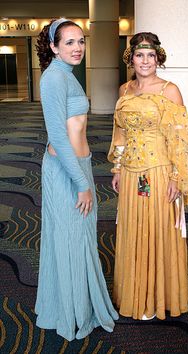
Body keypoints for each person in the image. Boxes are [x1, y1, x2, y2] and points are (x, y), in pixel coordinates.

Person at [35, 18, 118, 341]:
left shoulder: (68, 75)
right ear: (54, 47)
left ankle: (79, 303)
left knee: (79, 237)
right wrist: (82, 184)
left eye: (81, 41)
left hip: (78, 165)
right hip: (64, 170)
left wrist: (84, 174)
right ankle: (70, 311)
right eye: (69, 42)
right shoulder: (53, 78)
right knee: (70, 238)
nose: (78, 47)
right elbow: (57, 134)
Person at [108, 32, 188, 321]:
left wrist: (176, 177)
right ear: (131, 58)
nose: (145, 61)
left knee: (157, 229)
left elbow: (180, 139)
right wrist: (118, 167)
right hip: (132, 174)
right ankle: (134, 296)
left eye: (150, 55)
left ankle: (158, 297)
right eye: (139, 55)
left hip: (159, 173)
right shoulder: (124, 90)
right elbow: (120, 132)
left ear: (158, 58)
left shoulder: (169, 90)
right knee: (133, 230)